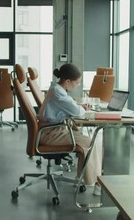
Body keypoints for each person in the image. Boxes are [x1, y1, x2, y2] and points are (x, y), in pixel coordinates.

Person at [38, 63, 103, 195]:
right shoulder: (58, 93)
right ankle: (96, 183)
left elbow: (71, 106)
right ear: (67, 81)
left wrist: (78, 107)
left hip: (52, 130)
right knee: (90, 143)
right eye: (77, 82)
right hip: (51, 133)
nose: (78, 85)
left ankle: (83, 178)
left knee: (85, 140)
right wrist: (81, 108)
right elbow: (76, 111)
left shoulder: (57, 89)